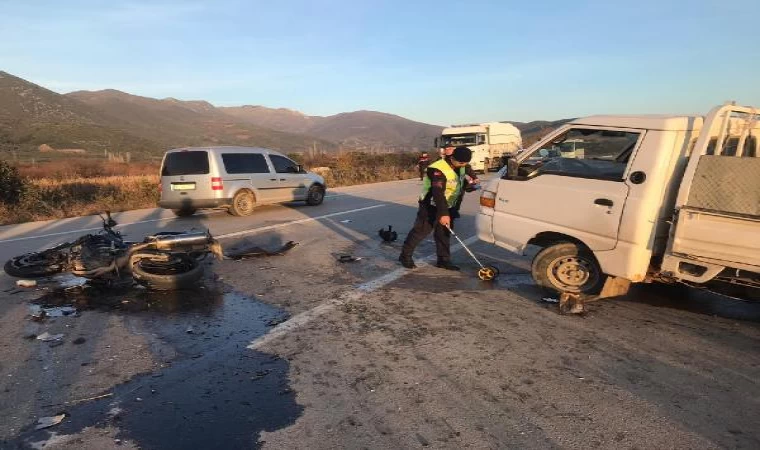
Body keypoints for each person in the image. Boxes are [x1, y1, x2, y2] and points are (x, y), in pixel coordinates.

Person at [399, 146, 473, 271]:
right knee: (420, 231)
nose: (464, 165)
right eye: (461, 163)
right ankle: (405, 256)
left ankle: (443, 260)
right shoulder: (437, 169)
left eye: (466, 163)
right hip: (430, 205)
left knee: (443, 234)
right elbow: (437, 192)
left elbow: (458, 184)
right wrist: (443, 214)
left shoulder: (460, 167)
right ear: (453, 158)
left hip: (449, 205)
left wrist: (470, 185)